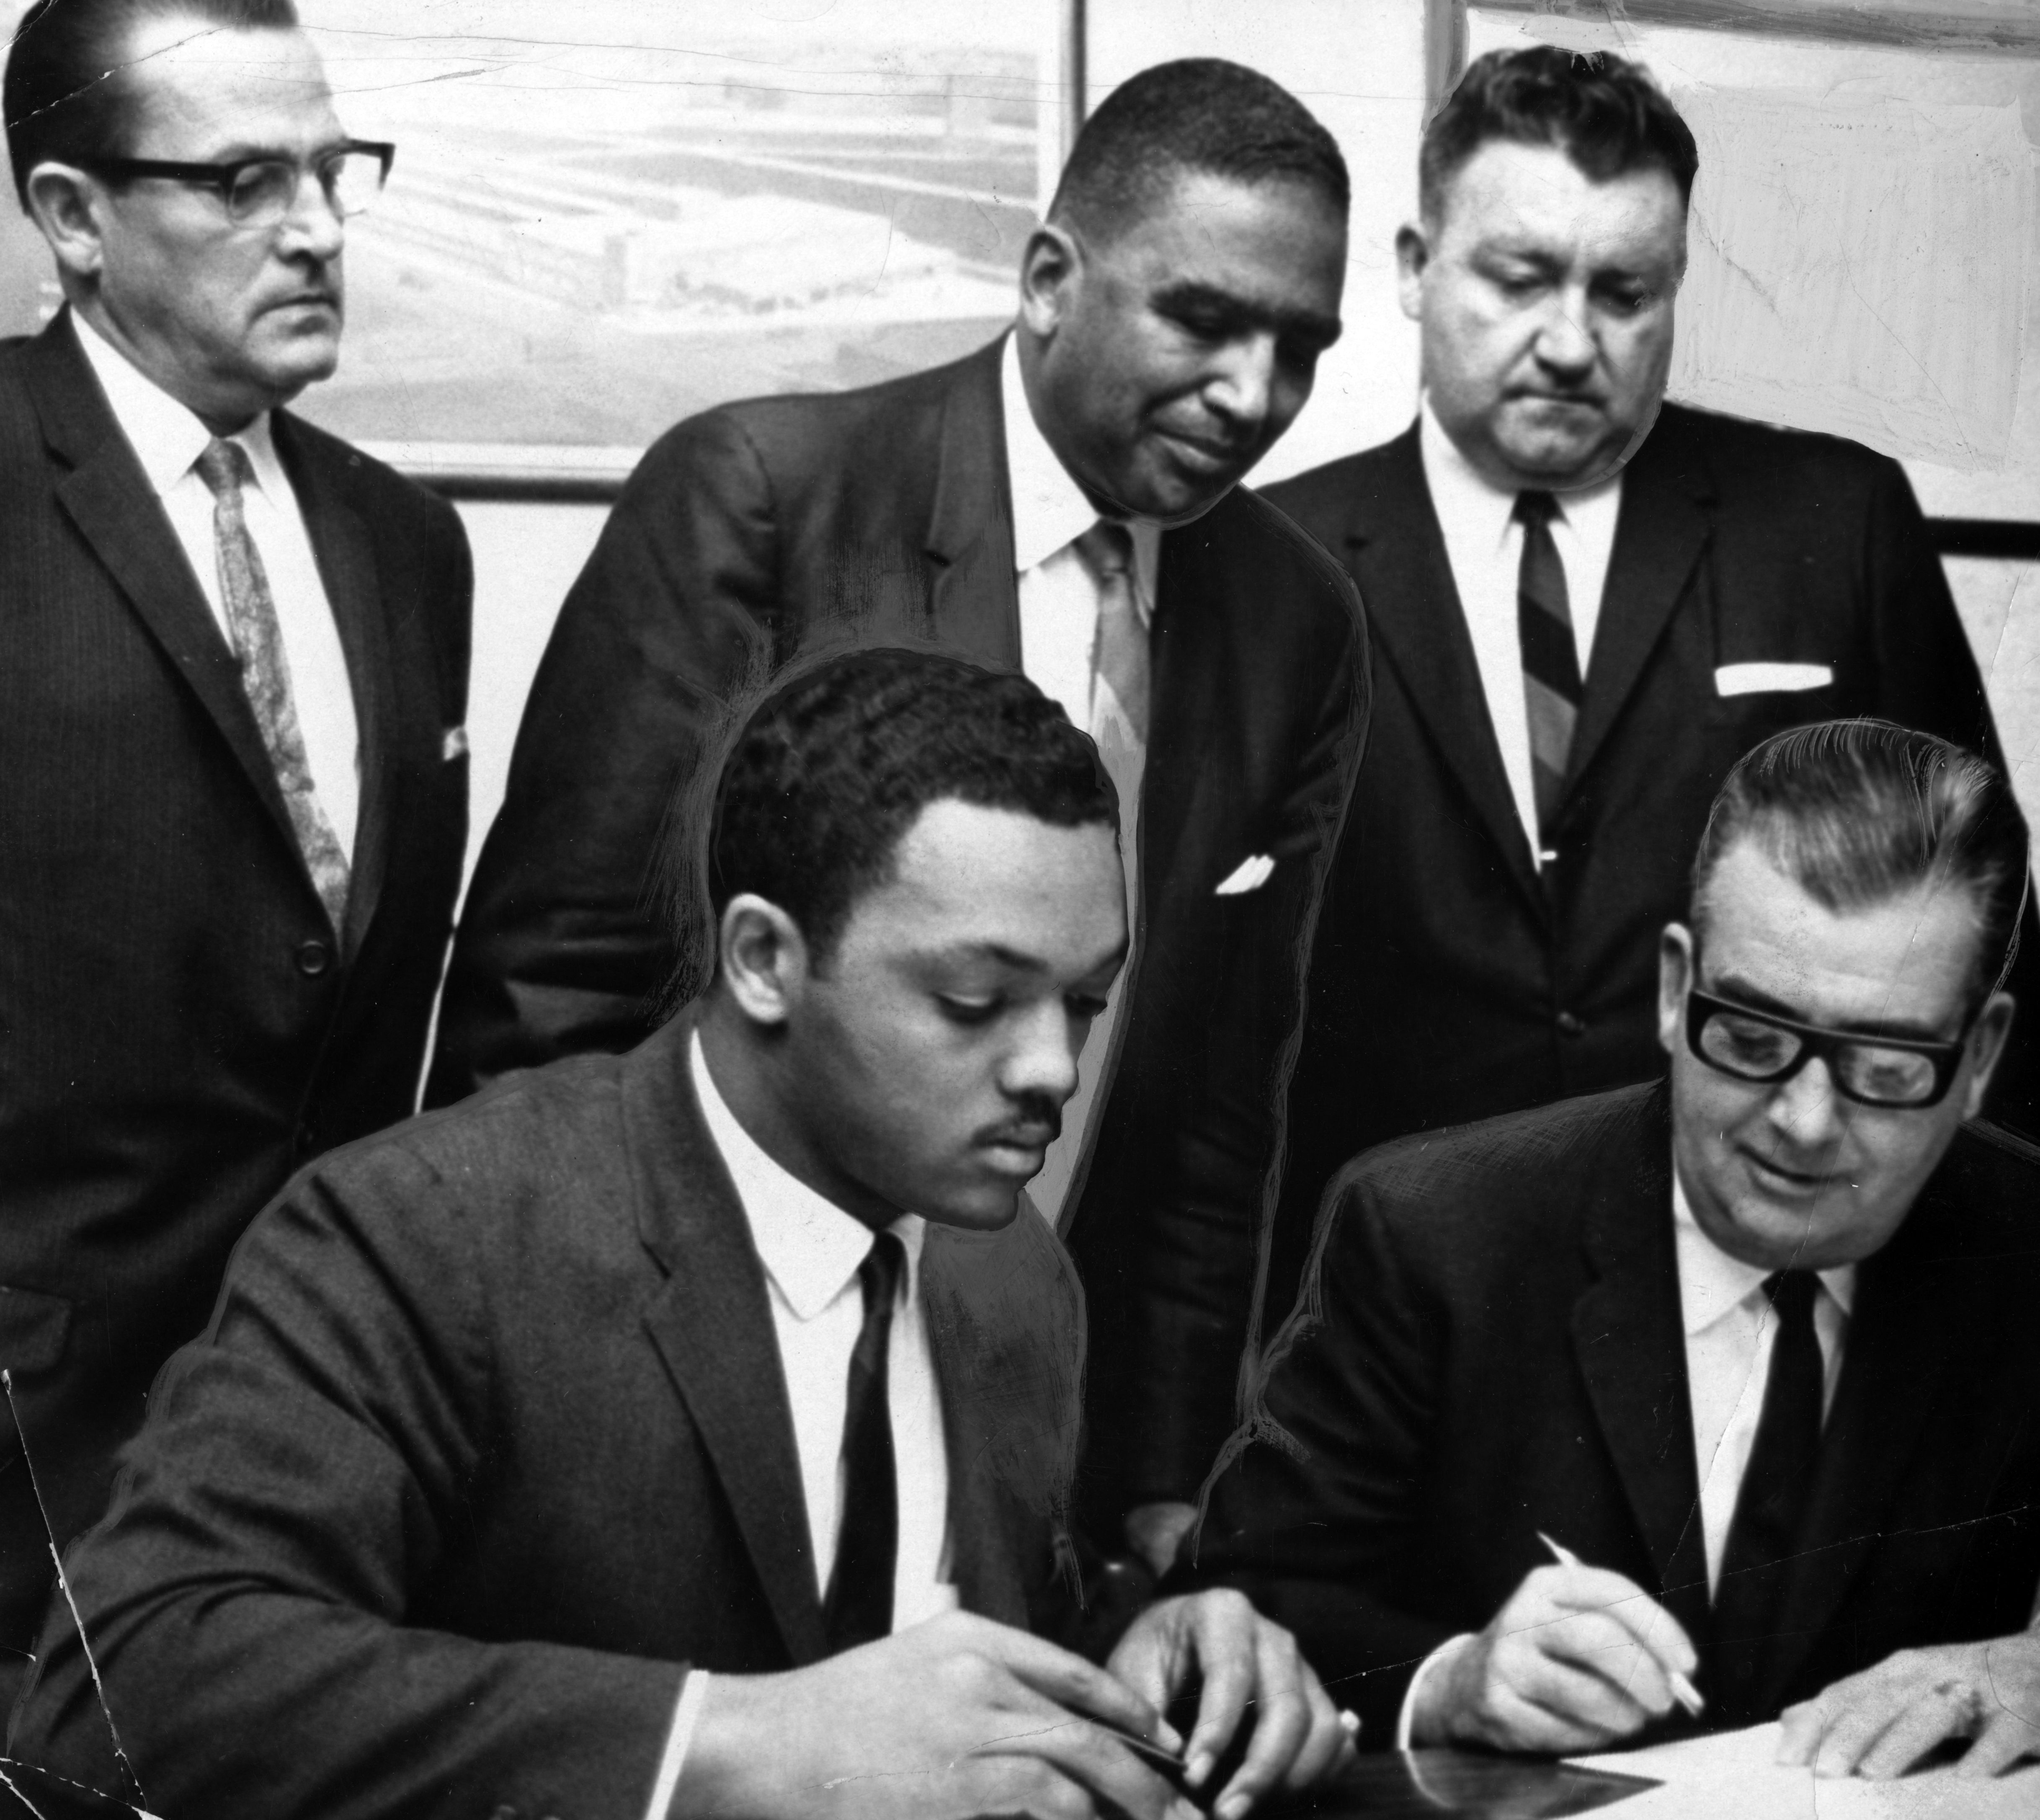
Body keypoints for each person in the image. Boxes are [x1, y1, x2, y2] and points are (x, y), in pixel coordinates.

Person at [10, 651, 1353, 1820]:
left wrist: (1142, 1648)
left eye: (1086, 1000)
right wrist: (721, 1741)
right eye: (974, 999)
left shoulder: (1013, 1277)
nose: (1053, 1069)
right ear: (764, 958)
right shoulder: (433, 1231)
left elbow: (957, 1642)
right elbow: (124, 1681)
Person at [424, 58, 1369, 1576]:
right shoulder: (761, 495)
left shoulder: (1301, 621)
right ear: (1050, 278)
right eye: (1202, 320)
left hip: (1014, 1440)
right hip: (675, 1402)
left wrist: (1158, 1489)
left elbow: (1213, 1114)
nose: (1254, 394)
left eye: (1300, 348)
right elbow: (545, 1018)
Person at [1252, 44, 2036, 1346]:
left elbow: (1991, 933)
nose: (1570, 342)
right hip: (1389, 1318)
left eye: (1625, 292)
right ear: (1412, 266)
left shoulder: (1834, 522)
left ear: (1678, 289)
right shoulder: (1270, 562)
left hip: (1774, 1302)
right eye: (1518, 279)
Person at [1190, 718, 2040, 1781]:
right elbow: (1231, 1614)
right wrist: (1450, 1679)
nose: (1807, 1122)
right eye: (1754, 1037)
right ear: (1677, 988)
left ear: (1982, 1058)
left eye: (1886, 1065)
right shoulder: (1429, 1232)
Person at [0, 0, 470, 1699]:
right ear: (72, 215)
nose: (322, 228)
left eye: (341, 172)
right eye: (247, 179)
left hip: (318, 1474)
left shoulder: (409, 546)